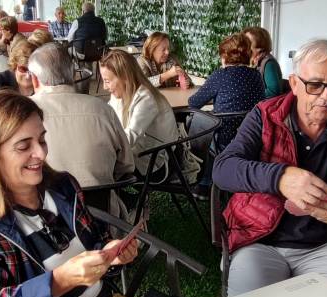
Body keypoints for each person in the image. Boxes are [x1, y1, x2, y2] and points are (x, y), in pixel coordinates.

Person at [0, 90, 162, 297]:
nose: (41, 153)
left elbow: (95, 242)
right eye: (23, 146)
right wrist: (59, 281)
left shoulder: (63, 186)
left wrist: (112, 255)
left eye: (42, 139)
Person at [212, 39, 327, 297]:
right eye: (315, 84)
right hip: (260, 240)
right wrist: (280, 177)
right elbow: (223, 169)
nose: (326, 96)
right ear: (294, 83)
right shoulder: (264, 116)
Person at [28, 43, 134, 220]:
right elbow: (126, 164)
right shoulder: (102, 109)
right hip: (104, 216)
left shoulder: (23, 115)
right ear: (72, 74)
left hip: (46, 220)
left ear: (34, 79)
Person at [188, 33, 264, 200]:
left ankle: (204, 183)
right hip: (251, 135)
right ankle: (211, 182)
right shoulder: (256, 75)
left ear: (224, 56)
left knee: (201, 127)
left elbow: (193, 103)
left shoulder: (220, 76)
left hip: (224, 135)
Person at [101, 50, 179, 182]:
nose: (104, 87)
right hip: (140, 154)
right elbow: (107, 121)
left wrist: (99, 145)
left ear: (124, 76)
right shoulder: (120, 93)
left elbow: (129, 138)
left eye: (107, 81)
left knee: (101, 166)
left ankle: (118, 201)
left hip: (156, 163)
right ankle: (120, 200)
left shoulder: (146, 98)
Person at [243, 26, 283, 98]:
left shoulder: (268, 63)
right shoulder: (252, 61)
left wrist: (250, 96)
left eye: (248, 41)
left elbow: (274, 91)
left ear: (259, 45)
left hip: (265, 107)